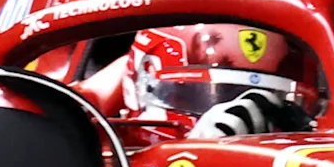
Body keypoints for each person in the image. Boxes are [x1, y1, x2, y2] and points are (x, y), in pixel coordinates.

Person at [89, 23, 318, 139]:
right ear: (146, 88)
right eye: (218, 94)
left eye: (269, 101)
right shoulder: (92, 164)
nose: (246, 115)